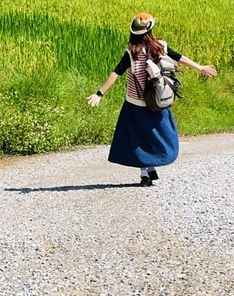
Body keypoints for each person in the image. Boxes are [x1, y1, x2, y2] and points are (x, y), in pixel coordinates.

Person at [87, 14, 218, 186]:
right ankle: (151, 167)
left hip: (135, 103)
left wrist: (99, 93)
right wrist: (200, 67)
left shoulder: (131, 52)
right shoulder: (161, 46)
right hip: (158, 100)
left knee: (137, 139)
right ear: (150, 30)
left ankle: (145, 174)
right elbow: (179, 57)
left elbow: (116, 72)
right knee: (159, 135)